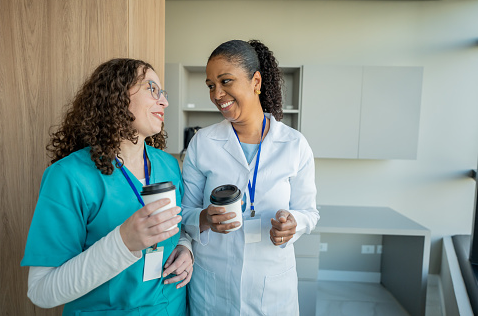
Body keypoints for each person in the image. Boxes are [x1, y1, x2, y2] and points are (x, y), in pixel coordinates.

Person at [21, 58, 193, 315]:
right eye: (151, 89)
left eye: (163, 93)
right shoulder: (69, 177)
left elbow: (176, 227)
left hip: (172, 308)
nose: (164, 102)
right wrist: (123, 242)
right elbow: (42, 291)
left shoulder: (168, 165)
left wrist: (185, 247)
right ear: (117, 96)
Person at [181, 39, 319, 315]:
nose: (217, 94)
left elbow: (309, 212)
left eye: (226, 81)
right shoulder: (203, 142)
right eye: (211, 85)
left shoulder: (294, 144)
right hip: (213, 288)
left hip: (271, 288)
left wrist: (294, 224)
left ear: (256, 81)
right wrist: (206, 218)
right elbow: (184, 212)